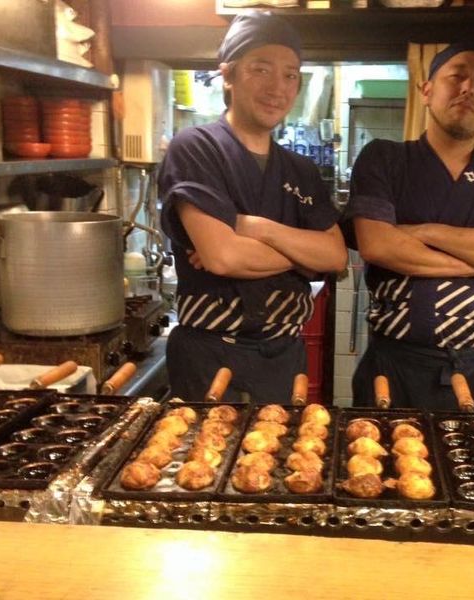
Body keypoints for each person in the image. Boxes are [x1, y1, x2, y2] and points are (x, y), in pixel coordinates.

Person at [345, 42, 474, 411]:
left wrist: (423, 232)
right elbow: (377, 245)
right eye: (457, 76)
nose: (469, 88)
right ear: (426, 91)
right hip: (396, 365)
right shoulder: (385, 158)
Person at [159, 11, 347, 404]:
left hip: (285, 355)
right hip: (211, 352)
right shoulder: (196, 148)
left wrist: (255, 228)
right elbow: (224, 257)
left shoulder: (301, 170)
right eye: (261, 69)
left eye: (290, 75)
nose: (277, 87)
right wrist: (302, 257)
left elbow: (335, 256)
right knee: (202, 447)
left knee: (287, 446)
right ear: (228, 74)